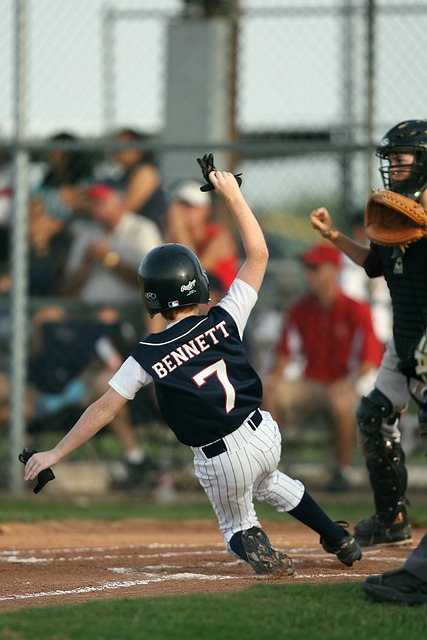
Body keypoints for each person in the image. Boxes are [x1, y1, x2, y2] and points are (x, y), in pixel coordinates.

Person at [23, 162, 362, 576]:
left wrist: (55, 451)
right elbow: (259, 253)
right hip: (263, 434)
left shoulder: (148, 352)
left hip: (219, 457)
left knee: (235, 524)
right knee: (271, 482)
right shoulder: (224, 317)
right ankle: (336, 536)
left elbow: (105, 408)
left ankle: (253, 541)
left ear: (152, 298)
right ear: (197, 283)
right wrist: (233, 196)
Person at [310, 119, 427, 547]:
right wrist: (333, 236)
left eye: (402, 159)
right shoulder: (392, 209)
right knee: (373, 418)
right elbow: (374, 265)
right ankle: (390, 519)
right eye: (391, 160)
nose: (394, 168)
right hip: (405, 337)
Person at [263, 242, 383, 492]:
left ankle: (342, 471)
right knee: (268, 389)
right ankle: (271, 469)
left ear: (332, 271)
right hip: (311, 384)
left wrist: (348, 383)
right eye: (307, 268)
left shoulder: (356, 309)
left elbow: (370, 360)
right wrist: (273, 377)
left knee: (339, 398)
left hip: (346, 384)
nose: (308, 274)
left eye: (315, 268)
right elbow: (284, 354)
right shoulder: (299, 309)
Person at [61, 183, 163, 318]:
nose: (95, 207)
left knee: (105, 316)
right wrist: (86, 263)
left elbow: (152, 282)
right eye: (93, 202)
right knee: (47, 317)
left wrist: (109, 260)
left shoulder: (142, 230)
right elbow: (68, 289)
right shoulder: (86, 233)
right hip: (86, 308)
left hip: (130, 309)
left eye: (101, 202)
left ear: (120, 203)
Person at [165, 180, 239, 292]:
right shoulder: (176, 236)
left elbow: (197, 270)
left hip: (223, 299)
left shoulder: (219, 236)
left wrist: (180, 230)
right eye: (182, 206)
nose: (186, 212)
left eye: (192, 207)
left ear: (206, 210)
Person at [106, 127, 169, 233]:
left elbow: (127, 209)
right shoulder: (124, 175)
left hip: (148, 232)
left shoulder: (146, 171)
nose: (118, 152)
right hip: (130, 230)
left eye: (122, 147)